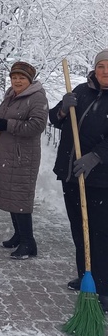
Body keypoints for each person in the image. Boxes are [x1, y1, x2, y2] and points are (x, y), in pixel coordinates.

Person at [49, 50, 108, 311]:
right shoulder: (81, 92)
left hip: (100, 180)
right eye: (101, 66)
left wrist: (97, 156)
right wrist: (63, 110)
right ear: (94, 69)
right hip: (71, 174)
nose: (105, 71)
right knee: (78, 228)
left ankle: (103, 287)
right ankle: (86, 275)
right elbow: (53, 119)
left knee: (99, 233)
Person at [0, 61, 48, 260]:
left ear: (29, 80)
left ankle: (29, 243)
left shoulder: (37, 98)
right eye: (14, 77)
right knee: (11, 196)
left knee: (20, 198)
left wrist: (9, 124)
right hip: (5, 154)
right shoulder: (10, 96)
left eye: (22, 78)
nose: (17, 81)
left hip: (23, 158)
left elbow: (37, 126)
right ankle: (19, 235)